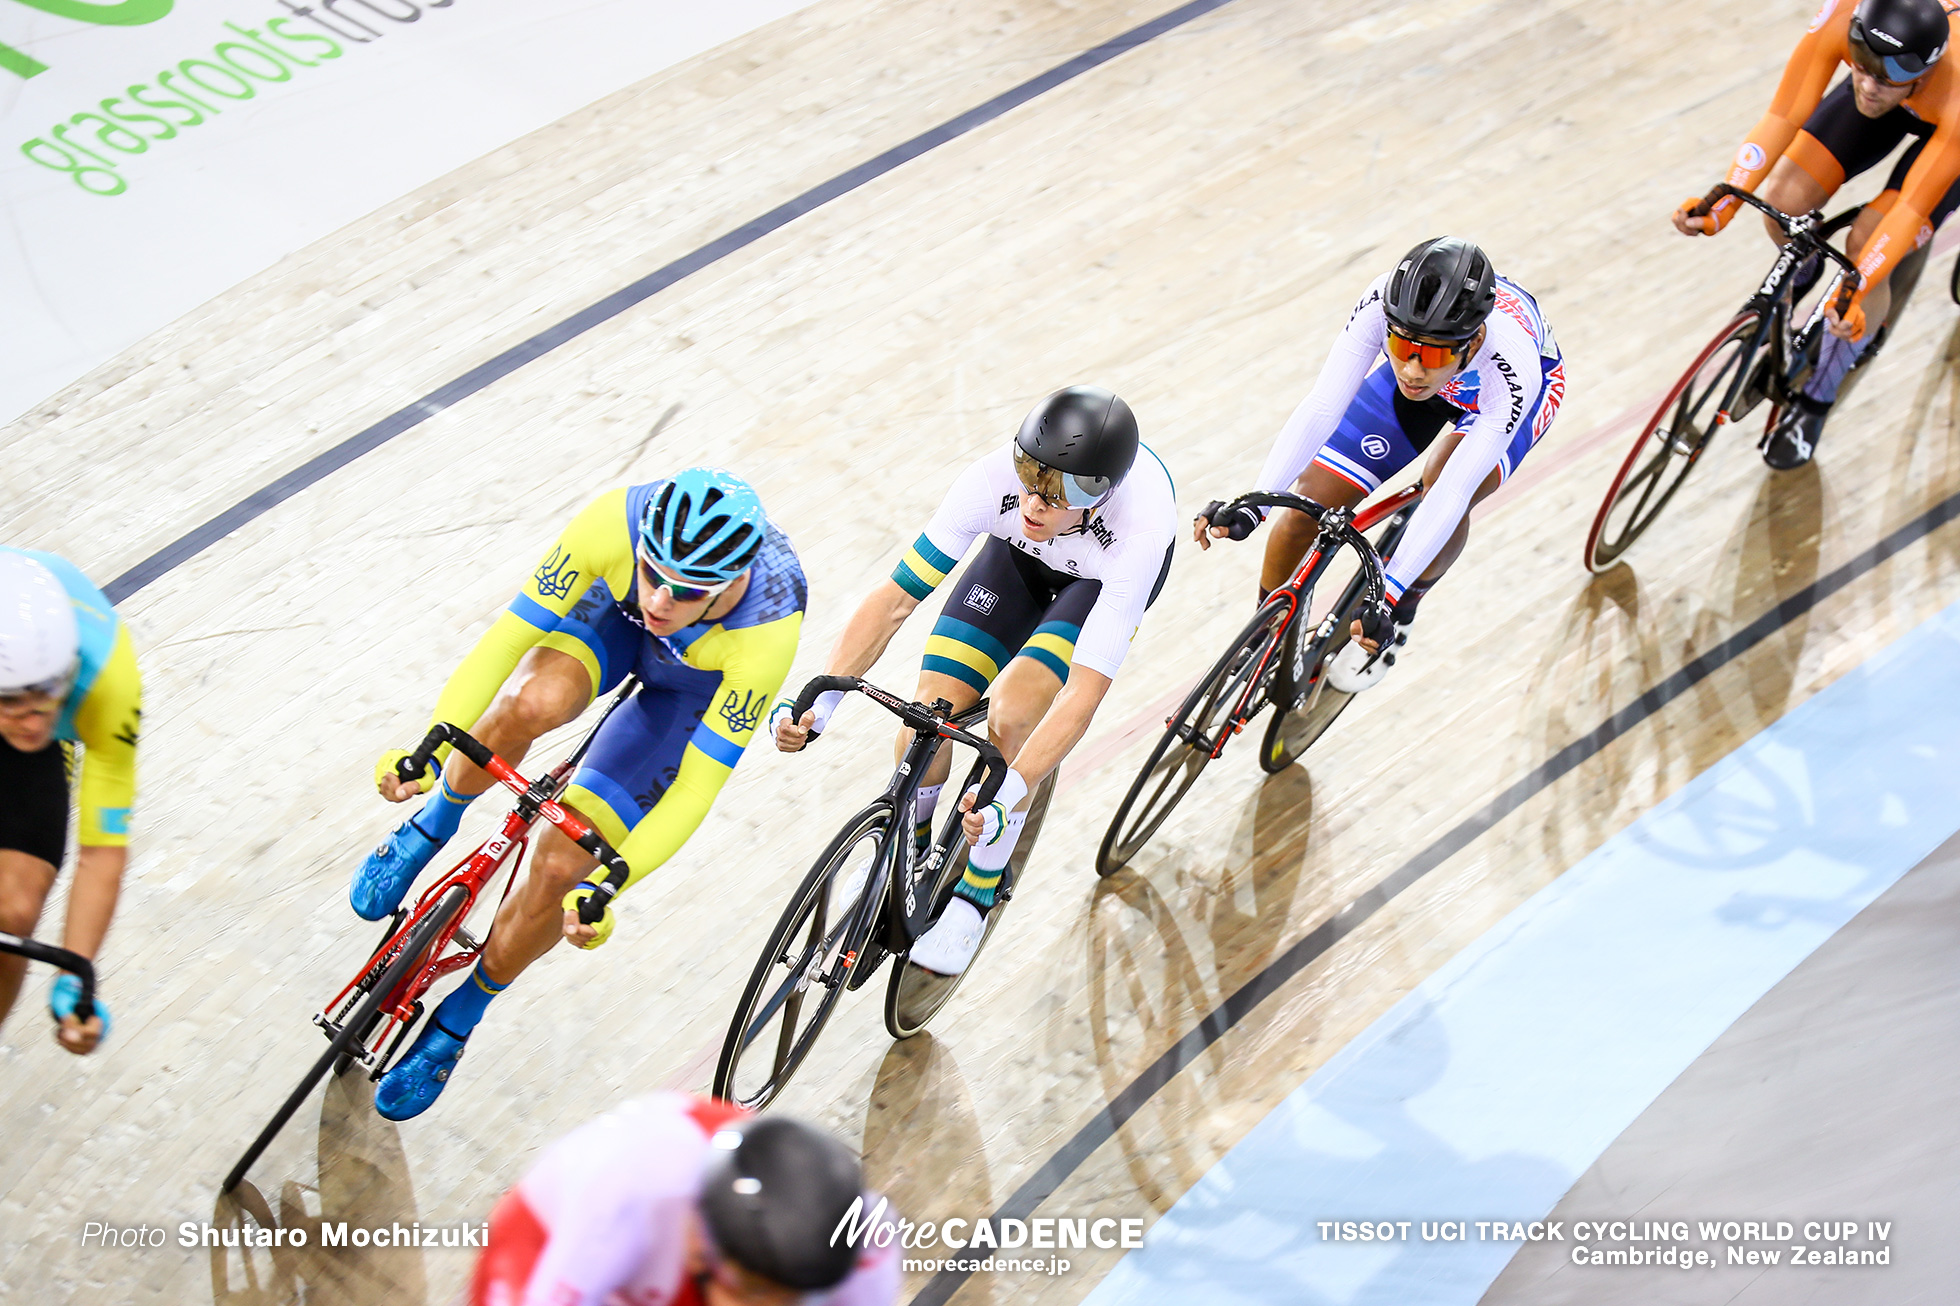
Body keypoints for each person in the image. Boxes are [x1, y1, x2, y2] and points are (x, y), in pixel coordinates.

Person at [352, 469, 804, 1120]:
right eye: (653, 572)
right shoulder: (612, 523)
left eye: (685, 591)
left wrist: (609, 886)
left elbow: (697, 788)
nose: (661, 599)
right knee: (531, 701)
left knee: (565, 865)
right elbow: (505, 643)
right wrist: (426, 748)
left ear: (731, 584)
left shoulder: (767, 632)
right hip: (610, 624)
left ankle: (460, 1015)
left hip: (690, 689)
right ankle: (431, 822)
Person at [774, 386, 1176, 976]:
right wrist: (825, 699)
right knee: (927, 717)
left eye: (1059, 490)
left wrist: (1011, 790)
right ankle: (907, 844)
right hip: (1015, 566)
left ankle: (976, 895)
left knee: (1013, 714)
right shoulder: (990, 485)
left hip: (1093, 586)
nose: (1035, 502)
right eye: (1029, 473)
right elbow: (893, 600)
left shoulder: (1138, 534)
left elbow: (1084, 694)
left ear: (1100, 495)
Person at [1195, 237, 1564, 691]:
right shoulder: (1384, 306)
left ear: (1473, 341)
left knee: (1443, 480)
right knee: (1302, 509)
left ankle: (1408, 608)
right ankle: (1264, 636)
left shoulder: (1511, 368)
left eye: (1430, 354)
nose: (1411, 369)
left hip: (1502, 398)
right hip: (1442, 385)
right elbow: (1322, 406)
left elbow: (1451, 494)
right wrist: (1257, 502)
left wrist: (1388, 598)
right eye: (1400, 346)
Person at [1673, 0, 1958, 468]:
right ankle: (1800, 274)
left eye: (1884, 77)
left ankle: (1816, 401)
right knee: (1784, 196)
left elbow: (1911, 207)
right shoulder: (1845, 15)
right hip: (1906, 87)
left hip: (1951, 130)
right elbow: (1782, 116)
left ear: (1921, 72)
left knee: (1867, 245)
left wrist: (1857, 285)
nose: (1866, 85)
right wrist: (1725, 200)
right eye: (1860, 66)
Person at [469, 1093, 898, 1306]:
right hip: (543, 1244)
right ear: (700, 1245)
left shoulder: (868, 1241)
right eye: (752, 1291)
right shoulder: (626, 1193)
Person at [0, 548, 141, 1056]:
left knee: (12, 911)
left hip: (57, 735)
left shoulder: (108, 682)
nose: (33, 721)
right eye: (16, 701)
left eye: (46, 695)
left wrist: (72, 978)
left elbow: (102, 851)